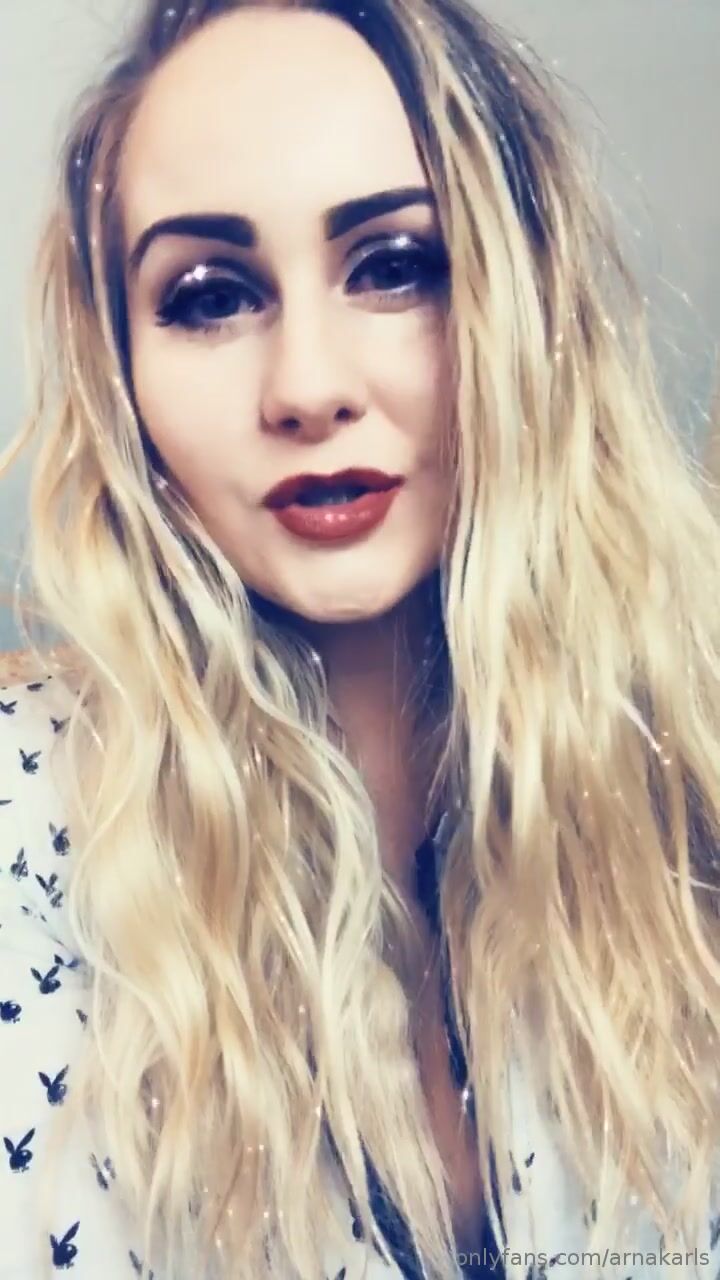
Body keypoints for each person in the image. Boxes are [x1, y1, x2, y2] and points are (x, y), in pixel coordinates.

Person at [1, 1, 720, 1277]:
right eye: (209, 296)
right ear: (120, 376)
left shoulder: (693, 785)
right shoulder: (29, 822)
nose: (308, 386)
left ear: (522, 298)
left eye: (394, 265)